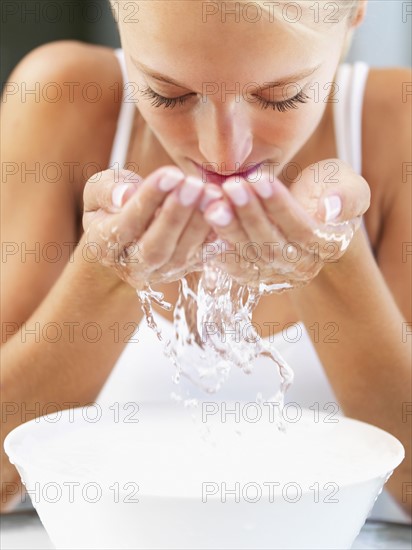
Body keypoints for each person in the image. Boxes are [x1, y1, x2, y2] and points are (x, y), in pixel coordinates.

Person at [1, 0, 410, 524]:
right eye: (168, 93)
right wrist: (105, 277)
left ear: (355, 15)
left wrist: (336, 269)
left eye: (280, 97)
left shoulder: (400, 127)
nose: (223, 154)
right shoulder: (58, 101)